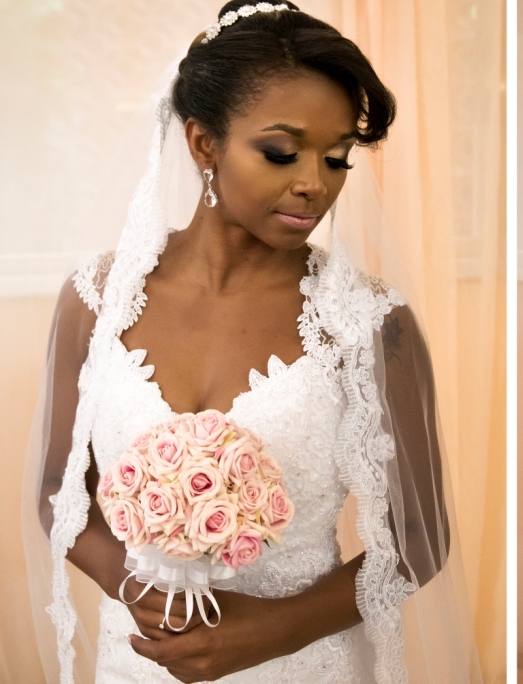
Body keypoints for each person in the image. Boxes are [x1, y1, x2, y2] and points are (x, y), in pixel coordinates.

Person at [25, 2, 478, 682]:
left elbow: (420, 538)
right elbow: (60, 489)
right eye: (281, 151)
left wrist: (264, 635)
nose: (313, 183)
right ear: (204, 143)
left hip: (302, 664)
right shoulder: (97, 300)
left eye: (336, 159)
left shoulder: (369, 323)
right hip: (141, 660)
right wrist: (138, 589)